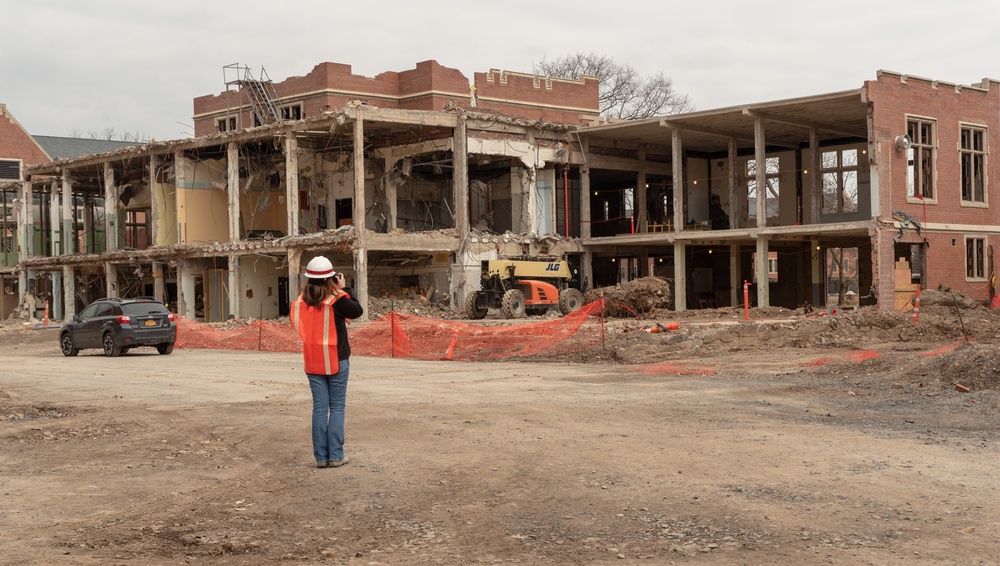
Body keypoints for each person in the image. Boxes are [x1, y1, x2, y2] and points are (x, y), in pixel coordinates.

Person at [289, 256, 364, 469]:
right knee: (337, 407)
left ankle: (321, 458)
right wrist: (344, 288)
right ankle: (336, 456)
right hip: (337, 360)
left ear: (309, 279)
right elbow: (357, 310)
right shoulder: (337, 299)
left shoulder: (302, 301)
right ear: (331, 278)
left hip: (313, 360)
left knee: (320, 408)